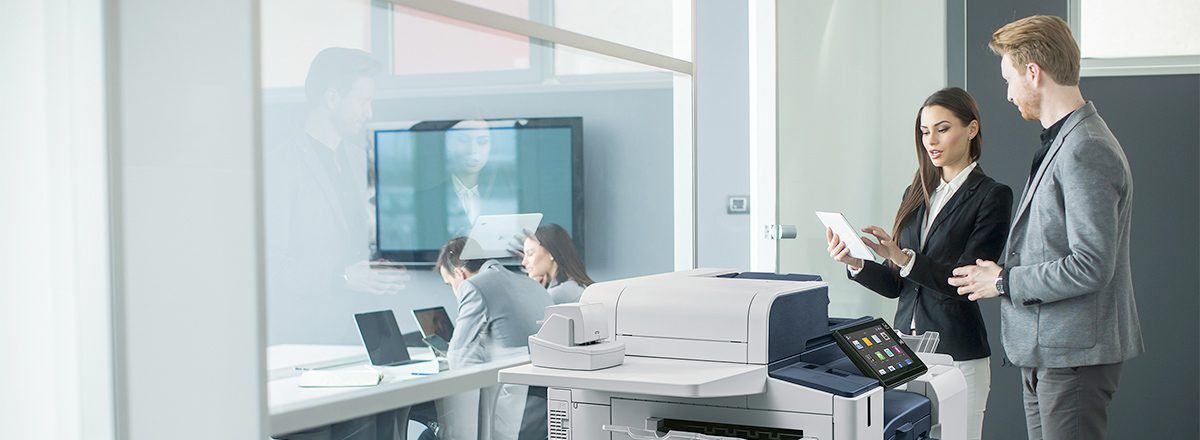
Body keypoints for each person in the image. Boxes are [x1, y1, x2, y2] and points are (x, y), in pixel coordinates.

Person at [948, 15, 1143, 440]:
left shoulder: (1086, 148)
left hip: (1072, 357)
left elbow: (1091, 265)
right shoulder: (1068, 140)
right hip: (1051, 353)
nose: (1007, 93)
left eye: (1008, 79)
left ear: (1033, 74)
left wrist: (1003, 280)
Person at [826, 87, 1012, 440]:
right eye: (925, 132)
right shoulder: (916, 193)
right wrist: (857, 263)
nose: (931, 140)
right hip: (902, 353)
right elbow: (900, 285)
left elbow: (964, 282)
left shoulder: (992, 195)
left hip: (957, 356)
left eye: (942, 129)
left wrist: (902, 256)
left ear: (971, 129)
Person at [436, 236, 553, 440]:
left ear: (459, 273)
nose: (453, 290)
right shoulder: (530, 283)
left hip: (510, 416)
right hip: (543, 413)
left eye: (449, 284)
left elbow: (458, 360)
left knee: (430, 431)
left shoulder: (473, 286)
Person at [521, 224, 594, 304]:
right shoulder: (574, 286)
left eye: (530, 253)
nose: (524, 262)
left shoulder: (557, 294)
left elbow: (525, 313)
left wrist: (533, 290)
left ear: (551, 253)